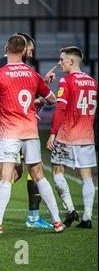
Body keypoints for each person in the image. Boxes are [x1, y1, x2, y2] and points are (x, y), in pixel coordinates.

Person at [0, 34, 64, 234]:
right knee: (39, 176)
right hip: (30, 131)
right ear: (24, 50)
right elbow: (51, 99)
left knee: (6, 177)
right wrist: (40, 96)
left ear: (6, 48)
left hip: (9, 132)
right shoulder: (32, 74)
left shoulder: (0, 74)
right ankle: (58, 222)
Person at [47, 46, 97, 229]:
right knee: (87, 177)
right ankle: (87, 217)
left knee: (57, 171)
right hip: (87, 136)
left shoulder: (66, 81)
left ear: (71, 61)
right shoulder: (93, 81)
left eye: (62, 60)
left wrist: (53, 133)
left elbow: (60, 108)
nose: (59, 63)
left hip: (67, 135)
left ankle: (70, 210)